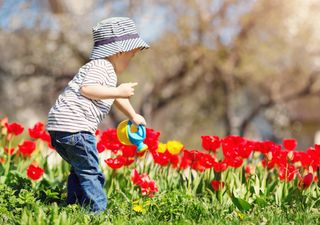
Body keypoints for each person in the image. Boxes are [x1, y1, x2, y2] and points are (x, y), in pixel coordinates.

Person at [46, 17, 149, 213]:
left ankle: (74, 206)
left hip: (60, 129)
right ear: (119, 51)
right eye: (131, 55)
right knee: (91, 172)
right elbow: (88, 89)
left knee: (80, 170)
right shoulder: (102, 66)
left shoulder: (103, 70)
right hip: (76, 128)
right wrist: (119, 91)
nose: (130, 60)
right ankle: (97, 213)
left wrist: (133, 115)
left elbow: (114, 96)